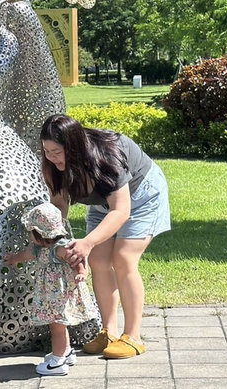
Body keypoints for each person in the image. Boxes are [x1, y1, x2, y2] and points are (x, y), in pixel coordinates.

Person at [39, 113, 170, 359]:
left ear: (74, 147)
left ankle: (133, 336)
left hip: (142, 196)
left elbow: (121, 211)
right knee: (98, 261)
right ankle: (109, 331)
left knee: (123, 258)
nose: (51, 157)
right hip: (102, 203)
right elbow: (59, 206)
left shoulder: (108, 157)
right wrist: (50, 236)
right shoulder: (54, 166)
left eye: (56, 151)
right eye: (46, 151)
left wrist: (87, 242)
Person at [4, 202, 99, 376]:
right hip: (49, 295)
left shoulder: (61, 247)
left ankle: (57, 361)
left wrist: (82, 272)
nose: (30, 235)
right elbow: (27, 254)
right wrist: (15, 258)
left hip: (60, 295)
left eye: (32, 231)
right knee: (59, 325)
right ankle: (67, 353)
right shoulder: (40, 248)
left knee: (56, 327)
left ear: (41, 232)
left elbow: (77, 260)